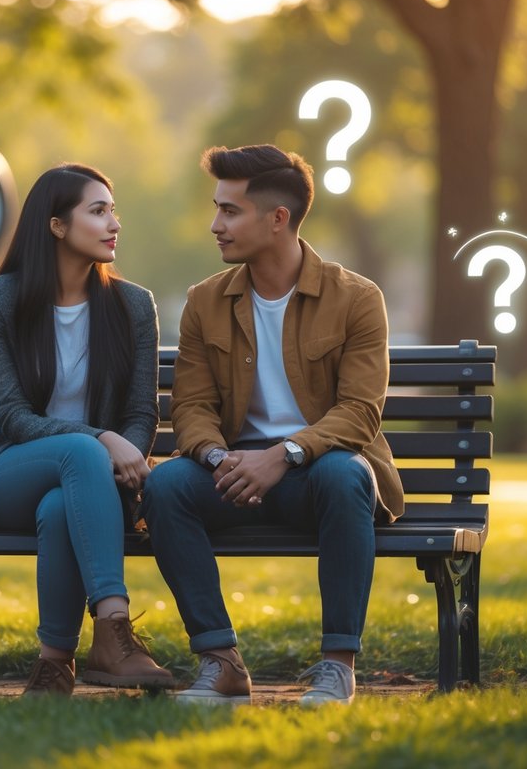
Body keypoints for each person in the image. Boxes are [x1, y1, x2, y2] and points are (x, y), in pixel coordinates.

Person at [140, 144, 403, 706]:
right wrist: (216, 458)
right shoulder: (204, 302)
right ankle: (220, 662)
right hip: (233, 475)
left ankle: (337, 667)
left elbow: (359, 412)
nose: (216, 225)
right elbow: (191, 407)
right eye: (217, 209)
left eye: (230, 211)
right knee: (164, 485)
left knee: (345, 475)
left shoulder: (356, 298)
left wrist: (281, 455)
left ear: (277, 218)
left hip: (318, 473)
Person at [0, 163, 174, 696]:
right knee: (77, 447)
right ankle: (114, 631)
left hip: (93, 486)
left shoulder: (134, 306)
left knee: (59, 507)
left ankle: (54, 665)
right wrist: (102, 440)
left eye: (112, 209)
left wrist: (124, 455)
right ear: (56, 225)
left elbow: (142, 413)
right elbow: (11, 415)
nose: (114, 222)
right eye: (97, 211)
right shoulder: (2, 301)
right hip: (9, 471)